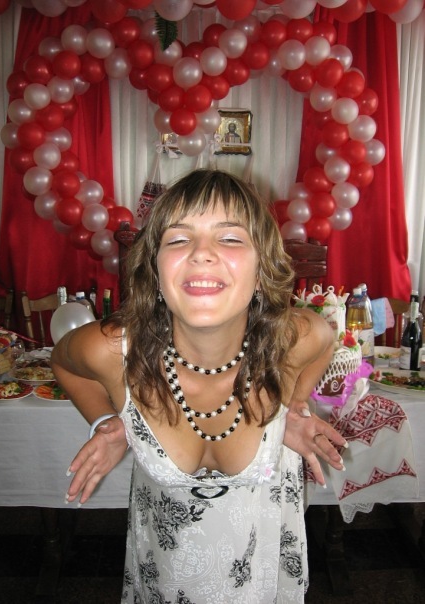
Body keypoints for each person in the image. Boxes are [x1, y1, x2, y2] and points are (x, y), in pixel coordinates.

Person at [51, 168, 346, 603]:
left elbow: (324, 341)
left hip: (260, 582)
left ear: (262, 270)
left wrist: (293, 407)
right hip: (163, 580)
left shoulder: (289, 343)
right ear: (155, 270)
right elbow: (64, 364)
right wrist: (106, 422)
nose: (201, 253)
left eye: (229, 238)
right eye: (178, 239)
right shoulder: (113, 352)